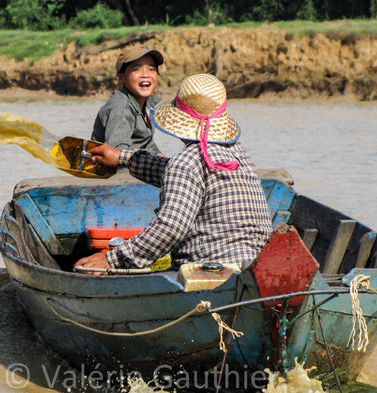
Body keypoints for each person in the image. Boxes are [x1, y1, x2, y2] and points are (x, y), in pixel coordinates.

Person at [76, 73, 273, 272]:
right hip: (255, 266)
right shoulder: (238, 154)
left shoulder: (187, 162)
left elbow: (170, 228)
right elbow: (177, 172)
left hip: (210, 272)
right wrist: (123, 157)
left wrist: (112, 259)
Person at [90, 45, 164, 155]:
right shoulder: (121, 108)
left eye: (151, 69)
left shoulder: (148, 104)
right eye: (136, 69)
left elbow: (150, 147)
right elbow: (116, 154)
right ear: (121, 78)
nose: (145, 75)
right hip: (118, 170)